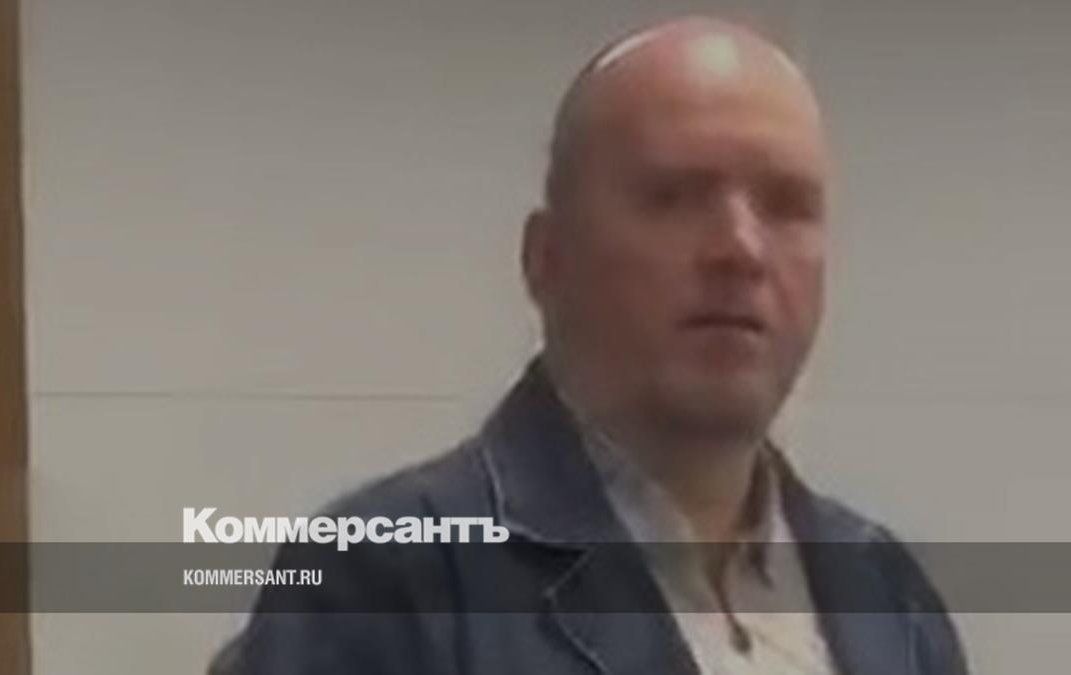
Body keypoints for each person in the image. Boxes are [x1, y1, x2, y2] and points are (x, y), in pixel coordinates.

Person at [230, 16, 967, 675]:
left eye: (786, 205)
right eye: (673, 197)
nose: (741, 249)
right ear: (546, 260)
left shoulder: (888, 593)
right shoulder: (383, 580)